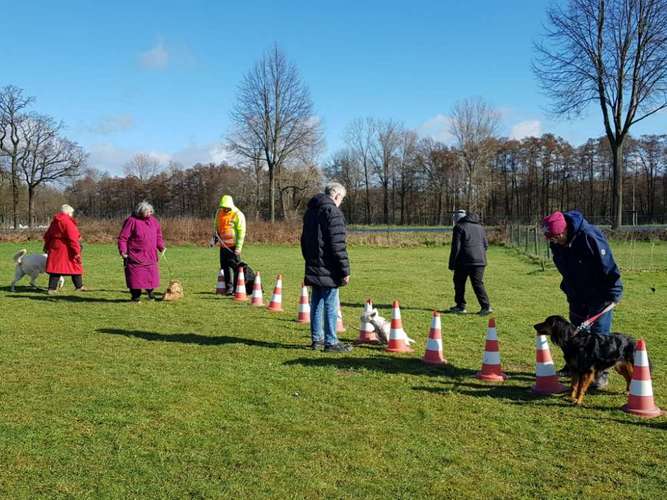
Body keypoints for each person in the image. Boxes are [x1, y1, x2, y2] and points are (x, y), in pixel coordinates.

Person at [542, 210, 623, 389]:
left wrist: (615, 292)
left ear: (563, 232)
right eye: (550, 239)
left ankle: (600, 373)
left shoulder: (590, 236)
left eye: (555, 238)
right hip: (577, 294)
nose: (552, 242)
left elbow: (608, 265)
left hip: (599, 293)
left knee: (599, 334)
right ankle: (574, 365)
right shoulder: (556, 243)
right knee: (576, 332)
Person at [301, 182, 351, 352]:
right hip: (329, 266)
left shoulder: (310, 212)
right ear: (336, 195)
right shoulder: (333, 212)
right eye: (341, 199)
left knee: (316, 301)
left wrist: (309, 259)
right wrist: (345, 270)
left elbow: (303, 240)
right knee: (330, 302)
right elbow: (338, 245)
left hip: (313, 263)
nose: (341, 202)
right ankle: (331, 342)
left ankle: (317, 340)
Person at [118, 201, 165, 302]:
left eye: (151, 211)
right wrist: (123, 250)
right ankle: (135, 296)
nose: (150, 213)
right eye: (147, 211)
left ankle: (151, 294)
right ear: (140, 212)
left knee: (151, 276)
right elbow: (123, 237)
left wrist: (161, 246)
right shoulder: (131, 221)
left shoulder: (154, 221)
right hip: (135, 255)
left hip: (150, 255)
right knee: (135, 277)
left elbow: (158, 235)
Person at [447, 209, 492, 315]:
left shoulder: (459, 227)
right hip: (480, 261)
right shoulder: (480, 227)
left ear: (457, 219)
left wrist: (452, 263)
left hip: (464, 261)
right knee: (478, 283)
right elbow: (486, 245)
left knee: (459, 282)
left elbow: (456, 247)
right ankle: (486, 306)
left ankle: (460, 306)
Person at [43, 204, 86, 294]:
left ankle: (52, 288)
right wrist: (77, 251)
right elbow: (73, 238)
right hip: (66, 248)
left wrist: (46, 246)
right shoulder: (68, 222)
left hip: (54, 247)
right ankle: (79, 286)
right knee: (75, 265)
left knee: (55, 268)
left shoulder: (55, 222)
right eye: (72, 213)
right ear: (69, 213)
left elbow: (47, 235)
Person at [211, 195, 246, 295]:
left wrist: (238, 248)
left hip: (233, 247)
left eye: (226, 207)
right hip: (223, 247)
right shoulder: (219, 214)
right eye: (223, 207)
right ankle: (229, 288)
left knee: (236, 268)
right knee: (224, 267)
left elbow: (241, 233)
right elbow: (217, 229)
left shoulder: (238, 214)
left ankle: (239, 287)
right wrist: (214, 240)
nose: (225, 209)